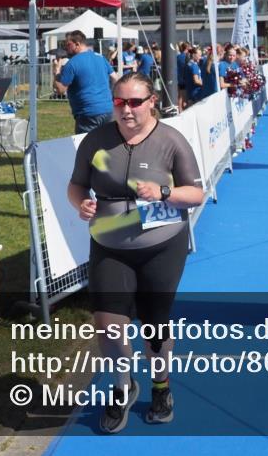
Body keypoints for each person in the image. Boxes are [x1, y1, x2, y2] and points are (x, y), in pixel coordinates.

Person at [68, 73, 204, 433]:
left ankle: (161, 387)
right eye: (119, 102)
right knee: (108, 324)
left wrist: (162, 193)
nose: (127, 110)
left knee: (154, 324)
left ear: (151, 102)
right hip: (109, 244)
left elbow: (196, 194)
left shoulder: (171, 140)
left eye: (135, 102)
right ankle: (121, 384)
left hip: (162, 245)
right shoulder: (96, 140)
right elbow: (76, 184)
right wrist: (81, 203)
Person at [55, 31, 119, 134]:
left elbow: (60, 90)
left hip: (88, 114)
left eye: (68, 44)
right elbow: (116, 79)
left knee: (86, 148)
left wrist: (57, 71)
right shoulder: (100, 57)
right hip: (108, 110)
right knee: (107, 145)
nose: (66, 47)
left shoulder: (72, 64)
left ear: (77, 44)